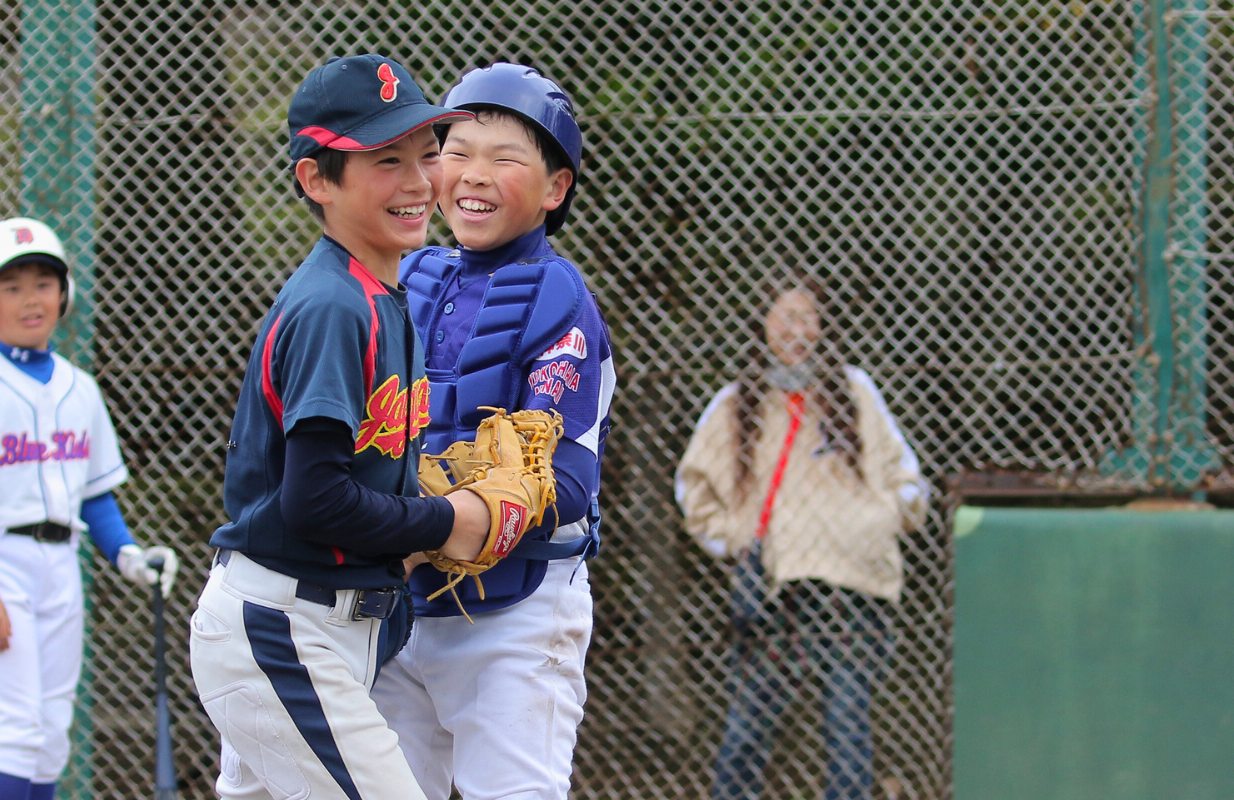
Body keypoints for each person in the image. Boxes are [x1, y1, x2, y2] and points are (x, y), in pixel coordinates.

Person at [186, 54, 490, 800]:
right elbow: (314, 501)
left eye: (427, 154)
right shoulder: (334, 306)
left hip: (317, 627)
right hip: (285, 629)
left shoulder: (381, 294)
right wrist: (446, 520)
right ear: (317, 179)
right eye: (386, 161)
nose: (419, 182)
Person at [370, 63, 616, 800]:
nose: (474, 173)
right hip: (400, 604)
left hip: (515, 613)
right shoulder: (403, 277)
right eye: (456, 151)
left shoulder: (559, 299)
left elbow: (565, 482)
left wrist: (435, 519)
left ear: (555, 188)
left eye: (505, 158)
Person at [0, 217, 179, 800]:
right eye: (11, 286)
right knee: (16, 732)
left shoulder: (79, 387)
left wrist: (127, 555)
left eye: (43, 284)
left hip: (60, 562)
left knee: (51, 736)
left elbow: (93, 495)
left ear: (64, 293)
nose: (31, 299)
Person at [674, 272, 930, 800]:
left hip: (849, 585)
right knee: (748, 725)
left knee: (847, 724)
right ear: (763, 325)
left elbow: (906, 475)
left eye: (809, 317)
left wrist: (881, 518)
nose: (798, 329)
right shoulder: (736, 403)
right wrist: (735, 540)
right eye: (786, 316)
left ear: (824, 327)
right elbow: (693, 489)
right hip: (775, 587)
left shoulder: (854, 391)